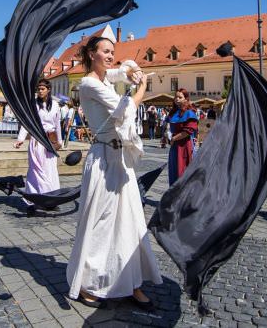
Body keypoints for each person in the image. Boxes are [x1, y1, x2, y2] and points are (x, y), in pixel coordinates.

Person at [66, 36, 161, 310]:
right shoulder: (88, 84)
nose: (110, 56)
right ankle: (89, 283)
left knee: (131, 221)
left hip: (121, 161)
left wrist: (132, 70)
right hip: (103, 160)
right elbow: (125, 109)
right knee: (101, 223)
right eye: (106, 51)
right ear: (91, 54)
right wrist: (142, 85)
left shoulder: (105, 78)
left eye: (113, 52)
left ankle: (131, 281)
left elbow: (120, 71)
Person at [14, 79, 62, 214]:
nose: (40, 91)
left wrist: (59, 141)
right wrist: (20, 139)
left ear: (48, 90)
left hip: (50, 141)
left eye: (42, 89)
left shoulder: (56, 105)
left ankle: (52, 200)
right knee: (36, 171)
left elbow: (58, 124)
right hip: (37, 141)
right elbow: (26, 123)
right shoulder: (33, 105)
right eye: (38, 89)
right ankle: (33, 200)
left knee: (50, 170)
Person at [167, 88, 199, 185]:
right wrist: (167, 135)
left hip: (185, 146)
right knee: (174, 170)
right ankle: (174, 196)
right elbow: (169, 125)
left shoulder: (189, 113)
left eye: (180, 97)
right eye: (176, 97)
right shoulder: (173, 113)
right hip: (174, 148)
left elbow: (188, 131)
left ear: (186, 99)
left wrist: (174, 138)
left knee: (183, 171)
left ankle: (183, 198)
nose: (177, 99)